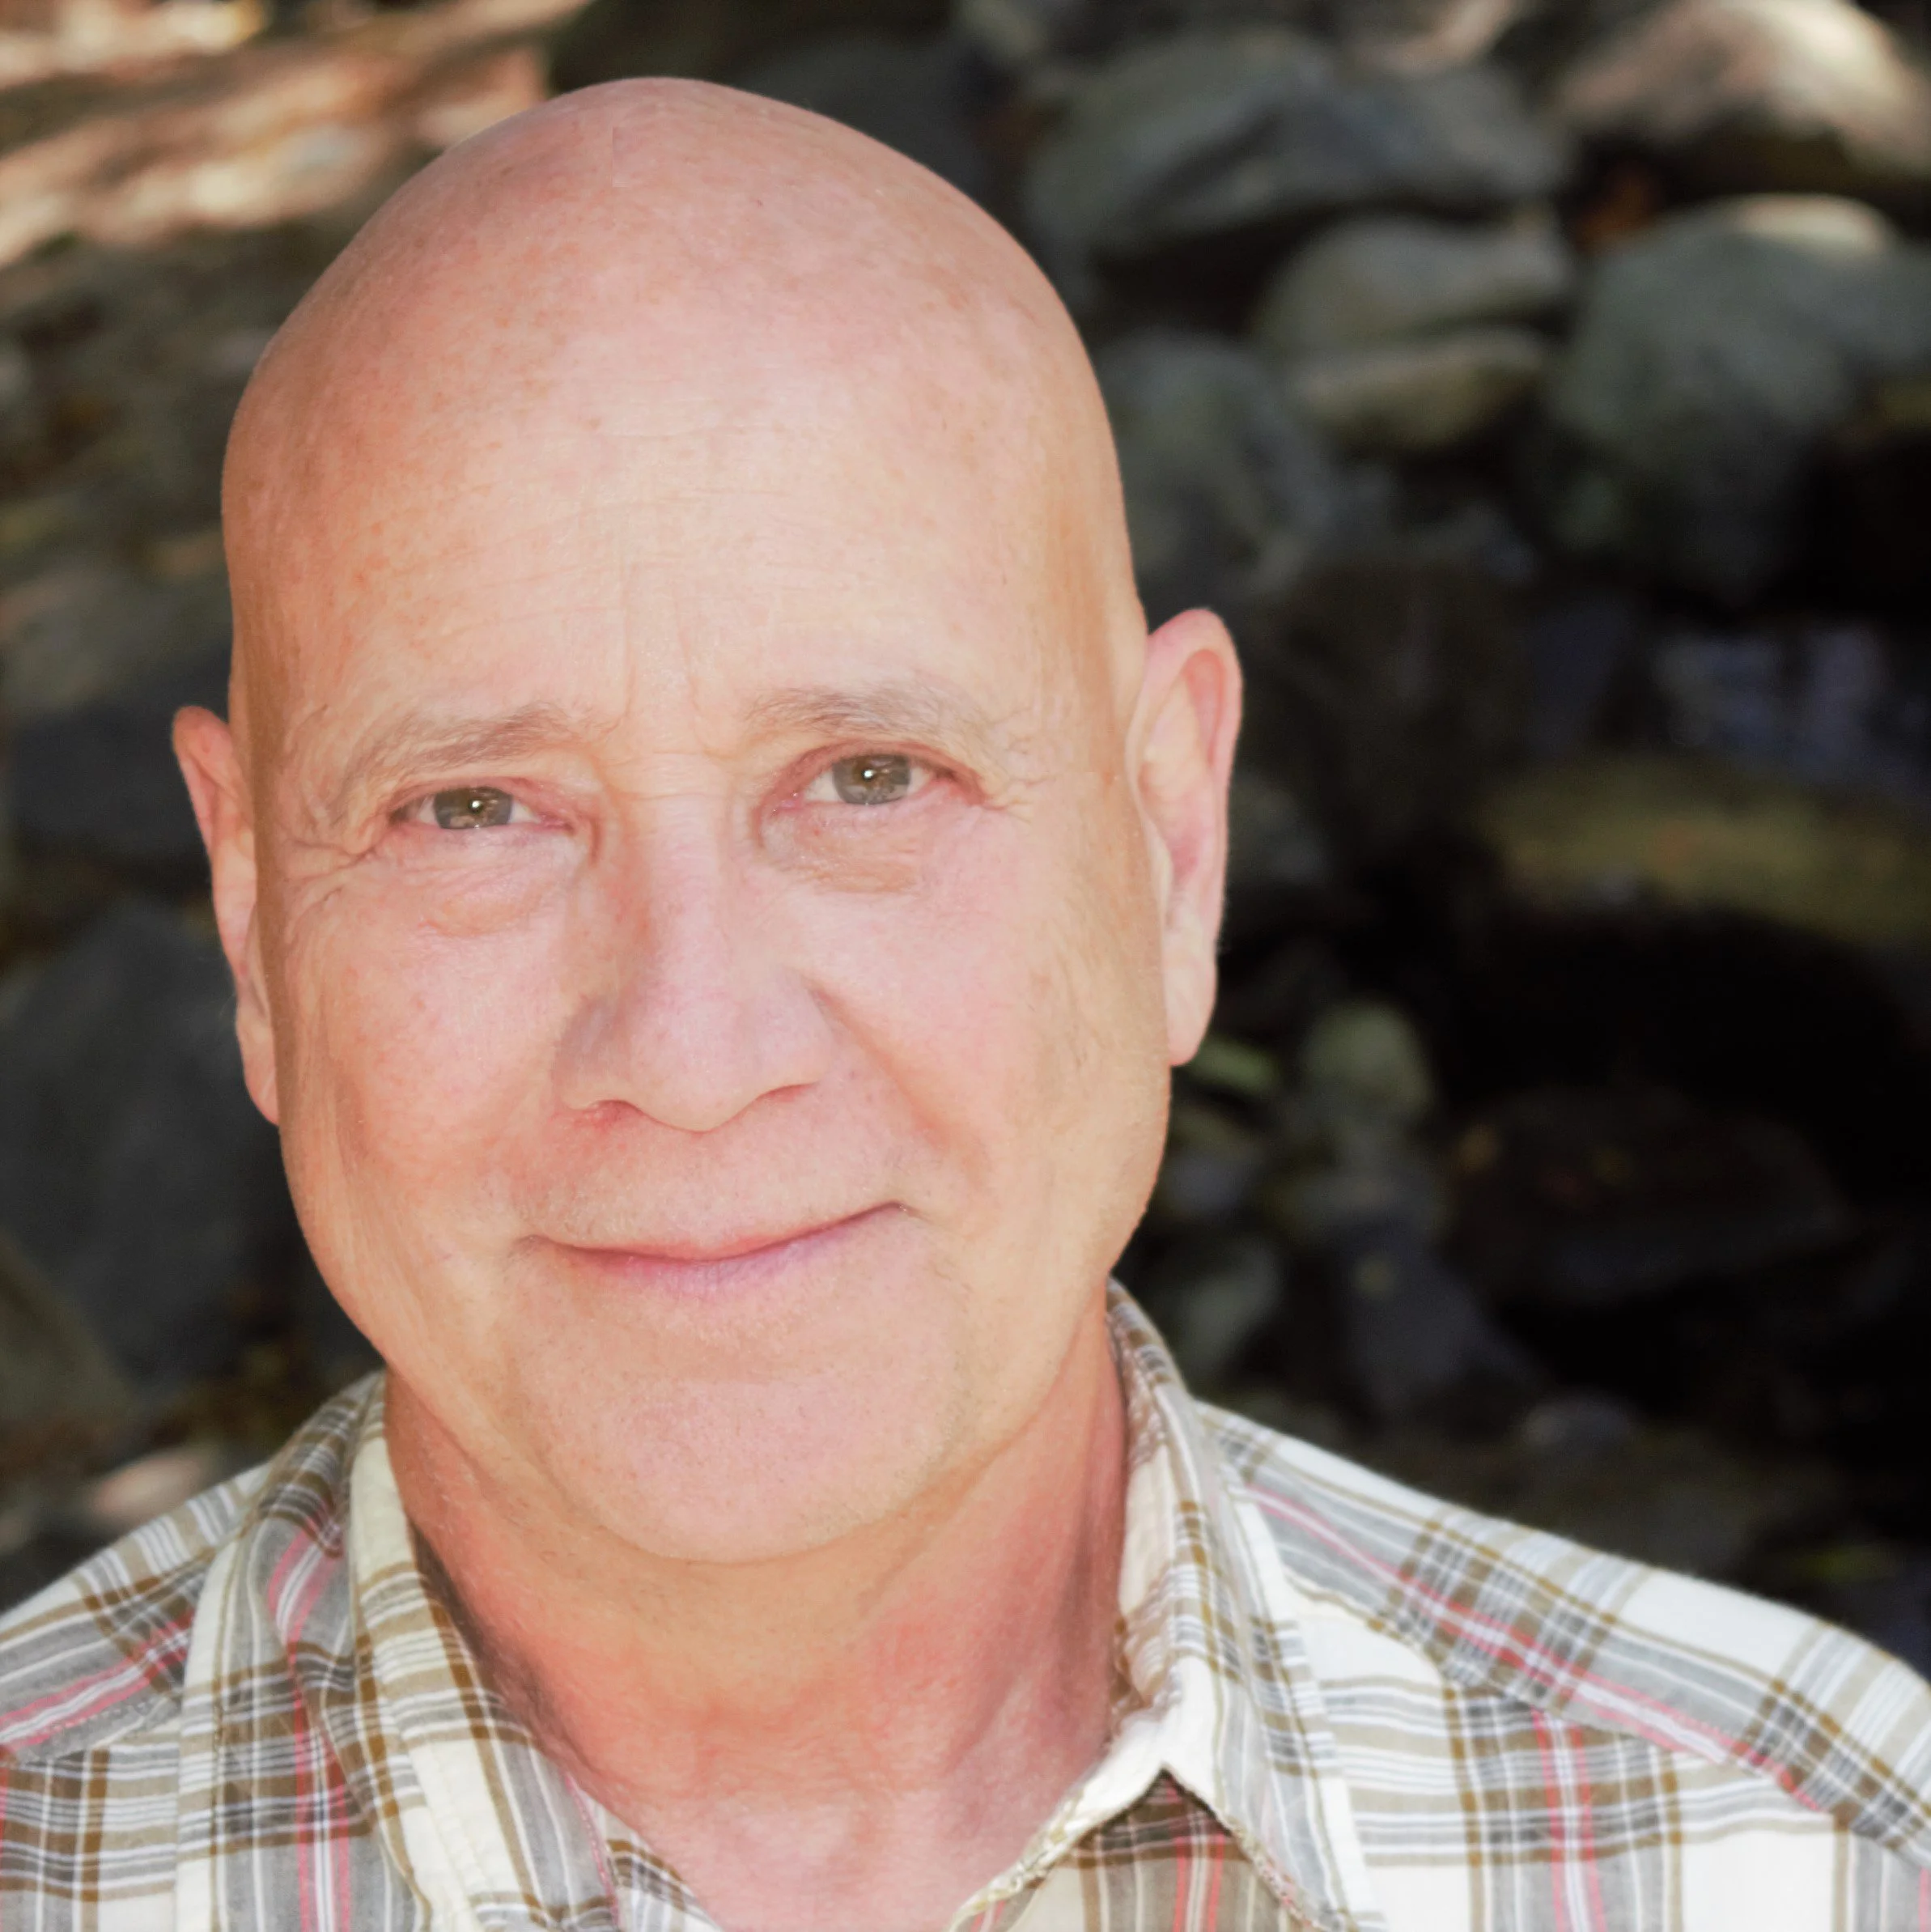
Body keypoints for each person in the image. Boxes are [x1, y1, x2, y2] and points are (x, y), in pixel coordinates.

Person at [1, 78, 1928, 1932]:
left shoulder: (1809, 1852)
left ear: (1172, 844)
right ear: (253, 918)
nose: (689, 1047)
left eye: (865, 779)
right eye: (474, 809)